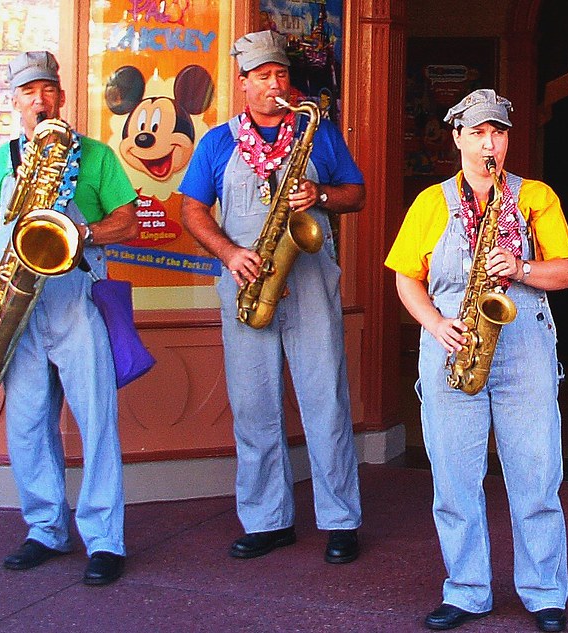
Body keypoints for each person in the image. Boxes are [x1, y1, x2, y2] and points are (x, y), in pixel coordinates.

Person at [385, 89, 568, 632]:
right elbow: (407, 278)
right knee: (452, 476)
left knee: (536, 473)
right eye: (478, 132)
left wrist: (518, 267)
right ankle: (466, 589)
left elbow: (567, 272)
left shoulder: (535, 196)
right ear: (457, 138)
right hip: (451, 342)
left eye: (498, 132)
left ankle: (544, 592)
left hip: (523, 346)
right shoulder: (430, 202)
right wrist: (434, 322)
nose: (489, 143)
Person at [179, 30, 365, 564]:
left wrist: (322, 194)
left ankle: (340, 520)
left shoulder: (318, 132)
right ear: (243, 85)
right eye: (262, 77)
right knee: (254, 406)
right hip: (246, 283)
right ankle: (266, 520)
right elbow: (192, 209)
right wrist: (229, 253)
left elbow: (356, 193)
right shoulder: (217, 141)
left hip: (307, 283)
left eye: (281, 75)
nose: (275, 85)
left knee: (325, 401)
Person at [0, 51, 138, 585]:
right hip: (18, 306)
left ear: (62, 97)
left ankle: (105, 540)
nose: (40, 100)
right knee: (27, 424)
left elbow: (127, 220)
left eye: (48, 89)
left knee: (97, 421)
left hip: (75, 297)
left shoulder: (97, 155)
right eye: (28, 91)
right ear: (15, 101)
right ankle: (44, 528)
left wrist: (83, 233)